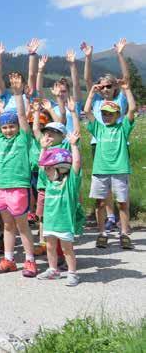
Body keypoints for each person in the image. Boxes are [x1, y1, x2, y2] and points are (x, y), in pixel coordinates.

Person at [0, 75, 37, 277]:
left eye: (11, 126)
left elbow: (22, 116)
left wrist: (17, 94)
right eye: (5, 127)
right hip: (0, 187)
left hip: (18, 186)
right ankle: (9, 259)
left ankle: (30, 261)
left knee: (22, 226)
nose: (8, 130)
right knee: (7, 225)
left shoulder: (23, 138)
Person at [82, 39, 131, 234]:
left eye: (108, 86)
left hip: (119, 144)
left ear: (114, 87)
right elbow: (87, 81)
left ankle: (124, 221)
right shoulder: (96, 102)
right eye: (101, 87)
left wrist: (120, 54)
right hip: (98, 143)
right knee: (104, 187)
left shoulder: (120, 99)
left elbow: (126, 78)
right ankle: (110, 218)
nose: (104, 89)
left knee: (120, 185)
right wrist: (88, 58)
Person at [84, 76, 137, 250]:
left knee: (122, 203)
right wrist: (91, 94)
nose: (106, 116)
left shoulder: (123, 128)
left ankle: (124, 234)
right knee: (100, 203)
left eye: (110, 113)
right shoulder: (98, 128)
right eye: (104, 113)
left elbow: (132, 109)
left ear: (117, 115)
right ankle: (102, 233)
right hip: (100, 171)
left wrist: (127, 89)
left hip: (120, 170)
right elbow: (87, 111)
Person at [36, 132, 84, 287]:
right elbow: (41, 165)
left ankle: (72, 273)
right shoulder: (49, 182)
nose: (46, 170)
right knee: (50, 247)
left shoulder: (70, 183)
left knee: (66, 249)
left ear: (61, 168)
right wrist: (43, 148)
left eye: (49, 168)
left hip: (64, 224)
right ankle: (53, 270)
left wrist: (73, 145)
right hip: (50, 222)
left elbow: (76, 163)